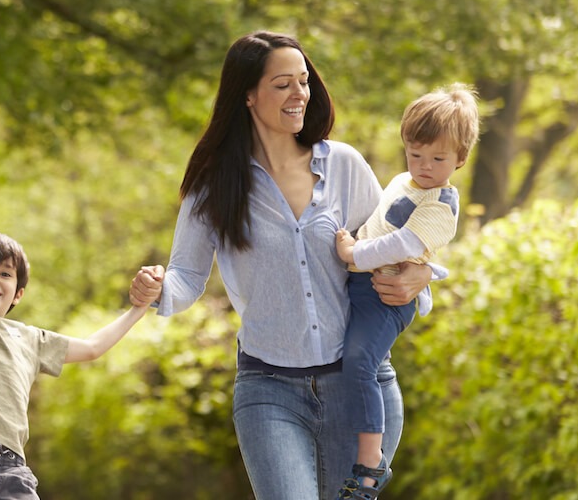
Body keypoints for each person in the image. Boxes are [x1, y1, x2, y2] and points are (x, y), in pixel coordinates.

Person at [129, 31, 440, 499]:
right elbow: (187, 276)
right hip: (268, 390)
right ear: (248, 95)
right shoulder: (215, 185)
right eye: (283, 84)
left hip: (359, 386)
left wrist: (422, 278)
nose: (300, 94)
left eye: (304, 81)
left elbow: (394, 248)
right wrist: (156, 289)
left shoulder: (344, 166)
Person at [0, 155, 156, 499]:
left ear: (19, 292)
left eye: (4, 274)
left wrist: (138, 309)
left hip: (12, 467)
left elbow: (91, 347)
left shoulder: (31, 339)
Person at [330, 83, 480, 499]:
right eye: (416, 154)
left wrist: (353, 253)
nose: (424, 166)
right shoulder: (402, 181)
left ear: (460, 159)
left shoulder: (441, 207)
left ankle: (368, 469)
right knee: (349, 357)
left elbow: (401, 245)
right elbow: (377, 222)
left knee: (361, 361)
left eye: (438, 158)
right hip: (363, 284)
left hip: (385, 297)